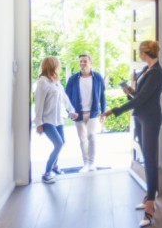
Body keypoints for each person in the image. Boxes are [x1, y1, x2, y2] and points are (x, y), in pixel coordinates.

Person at [102, 40, 162, 227]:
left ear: (145, 53)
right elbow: (139, 97)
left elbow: (141, 100)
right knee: (147, 158)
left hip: (150, 119)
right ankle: (149, 195)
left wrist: (114, 111)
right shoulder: (147, 70)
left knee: (151, 160)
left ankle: (151, 205)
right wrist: (129, 90)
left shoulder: (156, 73)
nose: (139, 55)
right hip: (141, 118)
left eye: (140, 53)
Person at [34, 56, 78, 184]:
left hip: (58, 119)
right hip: (47, 120)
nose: (59, 66)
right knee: (58, 144)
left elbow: (64, 97)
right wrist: (38, 123)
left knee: (62, 142)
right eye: (57, 64)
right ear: (52, 65)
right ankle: (47, 173)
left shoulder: (56, 81)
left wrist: (71, 111)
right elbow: (39, 104)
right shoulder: (43, 82)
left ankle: (54, 166)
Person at [65, 54, 107, 172]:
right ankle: (86, 164)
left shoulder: (97, 77)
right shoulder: (73, 79)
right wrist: (69, 112)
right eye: (80, 61)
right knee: (82, 139)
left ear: (90, 63)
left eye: (84, 61)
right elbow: (66, 97)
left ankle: (92, 163)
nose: (82, 63)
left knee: (91, 136)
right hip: (78, 113)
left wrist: (103, 111)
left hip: (93, 112)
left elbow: (102, 95)